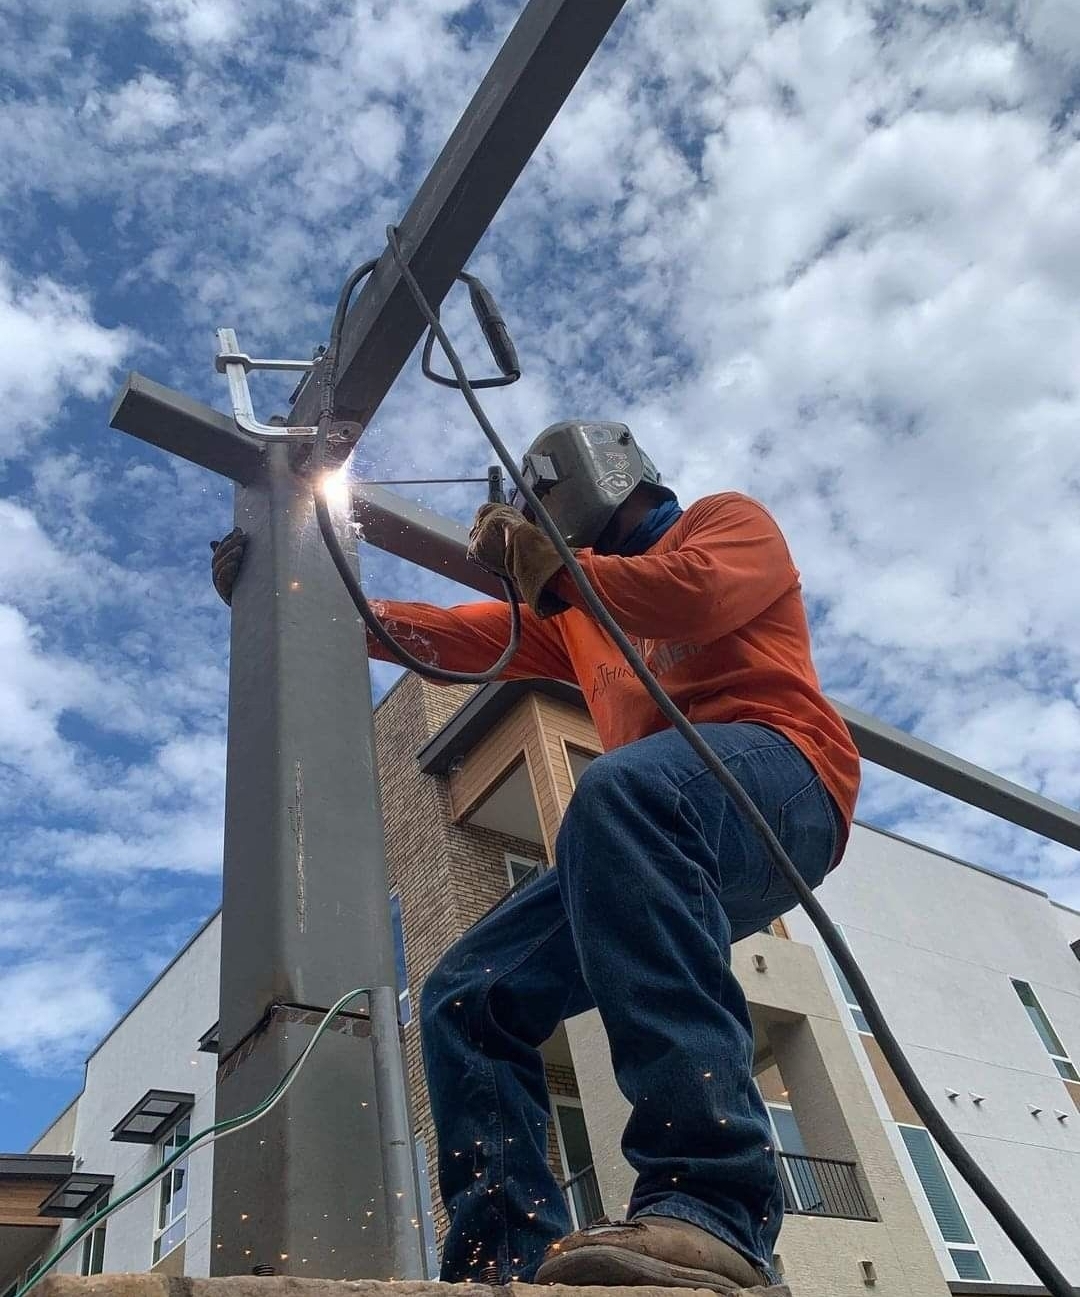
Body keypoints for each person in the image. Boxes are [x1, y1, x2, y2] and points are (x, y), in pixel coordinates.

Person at [211, 421, 860, 1294]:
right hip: (671, 825)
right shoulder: (576, 613)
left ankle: (718, 1205)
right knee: (469, 993)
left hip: (788, 781)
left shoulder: (725, 521)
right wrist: (308, 603)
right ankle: (504, 1258)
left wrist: (558, 572)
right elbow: (455, 635)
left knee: (621, 790)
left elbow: (692, 595)